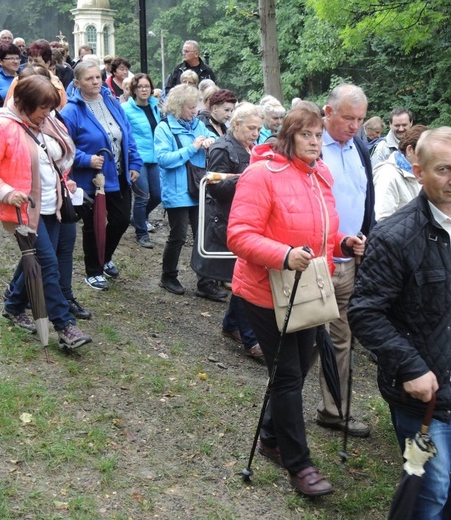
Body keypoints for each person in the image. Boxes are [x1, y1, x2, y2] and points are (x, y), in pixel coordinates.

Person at [348, 127, 451, 518]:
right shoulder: (395, 235)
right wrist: (411, 366)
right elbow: (365, 312)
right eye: (443, 170)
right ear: (418, 172)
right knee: (428, 488)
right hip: (426, 392)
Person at [227, 101, 364, 496]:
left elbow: (322, 231)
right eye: (306, 135)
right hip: (266, 291)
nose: (315, 142)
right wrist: (284, 255)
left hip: (308, 290)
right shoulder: (261, 174)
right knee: (287, 375)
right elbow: (239, 235)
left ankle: (271, 434)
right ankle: (298, 464)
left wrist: (343, 242)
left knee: (300, 368)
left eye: (319, 135)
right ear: (287, 136)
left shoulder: (320, 175)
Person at [0, 75, 92, 349]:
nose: (48, 114)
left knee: (33, 260)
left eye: (50, 108)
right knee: (46, 265)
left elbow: (54, 156)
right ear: (25, 103)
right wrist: (6, 192)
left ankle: (13, 305)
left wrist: (63, 177)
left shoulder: (43, 121)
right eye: (43, 108)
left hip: (52, 205)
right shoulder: (1, 125)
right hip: (23, 212)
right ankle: (65, 326)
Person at [314, 84, 374, 438]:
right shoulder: (312, 146)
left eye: (361, 119)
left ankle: (334, 410)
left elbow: (366, 201)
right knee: (304, 343)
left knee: (342, 339)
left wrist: (367, 236)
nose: (355, 125)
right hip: (315, 261)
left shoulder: (360, 149)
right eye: (349, 117)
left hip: (349, 260)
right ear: (329, 112)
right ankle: (280, 416)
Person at [60, 61, 142, 291]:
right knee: (94, 225)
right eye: (89, 78)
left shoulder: (111, 101)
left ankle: (105, 257)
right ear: (77, 83)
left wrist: (134, 162)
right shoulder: (71, 112)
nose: (95, 82)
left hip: (119, 175)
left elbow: (127, 134)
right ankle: (93, 271)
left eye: (97, 77)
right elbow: (63, 149)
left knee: (121, 220)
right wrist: (86, 159)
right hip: (92, 180)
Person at [194, 102, 264, 359]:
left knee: (242, 278)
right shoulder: (223, 148)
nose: (256, 133)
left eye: (258, 128)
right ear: (236, 125)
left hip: (248, 218)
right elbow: (215, 188)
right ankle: (249, 337)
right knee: (244, 280)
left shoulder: (253, 148)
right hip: (228, 219)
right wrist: (247, 178)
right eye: (251, 128)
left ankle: (231, 324)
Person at [154, 84, 226, 301]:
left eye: (196, 106)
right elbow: (164, 160)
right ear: (177, 107)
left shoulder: (198, 126)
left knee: (202, 236)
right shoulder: (164, 128)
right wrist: (192, 148)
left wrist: (212, 143)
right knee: (178, 236)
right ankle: (168, 276)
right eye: (190, 107)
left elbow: (214, 144)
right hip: (176, 191)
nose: (194, 111)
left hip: (198, 189)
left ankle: (205, 282)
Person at [121, 73, 162, 249]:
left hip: (155, 156)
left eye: (147, 86)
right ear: (134, 90)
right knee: (142, 196)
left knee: (158, 195)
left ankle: (137, 218)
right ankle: (141, 232)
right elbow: (124, 135)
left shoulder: (155, 106)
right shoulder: (125, 109)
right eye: (140, 87)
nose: (144, 90)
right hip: (138, 158)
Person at [373, 124, 428, 220]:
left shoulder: (420, 172)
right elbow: (382, 219)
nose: (429, 159)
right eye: (425, 154)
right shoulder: (388, 174)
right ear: (410, 150)